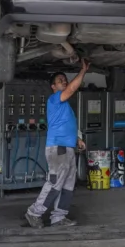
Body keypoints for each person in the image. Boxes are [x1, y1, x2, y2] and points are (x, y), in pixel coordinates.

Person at [25, 59, 89, 228]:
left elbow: (66, 126)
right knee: (55, 183)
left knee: (68, 185)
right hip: (58, 149)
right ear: (53, 87)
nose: (64, 82)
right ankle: (34, 213)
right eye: (60, 81)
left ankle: (58, 217)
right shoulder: (55, 99)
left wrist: (77, 139)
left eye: (64, 80)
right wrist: (82, 72)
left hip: (68, 148)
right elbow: (72, 89)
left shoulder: (65, 106)